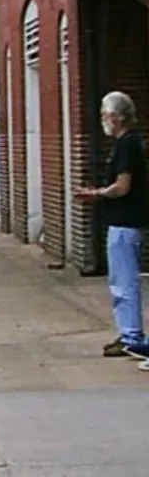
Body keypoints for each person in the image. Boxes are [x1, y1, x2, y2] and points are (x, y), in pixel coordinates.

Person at [75, 91, 149, 359]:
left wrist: (95, 194)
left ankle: (131, 336)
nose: (103, 120)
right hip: (127, 221)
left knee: (124, 282)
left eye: (105, 115)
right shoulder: (129, 144)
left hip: (125, 222)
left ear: (115, 117)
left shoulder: (127, 145)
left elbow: (122, 186)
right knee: (123, 280)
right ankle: (130, 333)